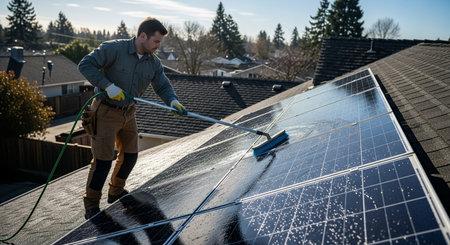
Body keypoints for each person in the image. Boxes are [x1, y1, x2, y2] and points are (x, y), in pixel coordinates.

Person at [78, 17, 187, 219]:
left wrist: (172, 101)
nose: (158, 46)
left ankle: (115, 191)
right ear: (143, 36)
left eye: (160, 42)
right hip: (105, 111)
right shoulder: (114, 49)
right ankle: (91, 205)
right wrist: (108, 86)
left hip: (128, 112)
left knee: (130, 156)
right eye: (156, 41)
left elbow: (162, 85)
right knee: (102, 162)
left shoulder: (153, 62)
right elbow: (85, 64)